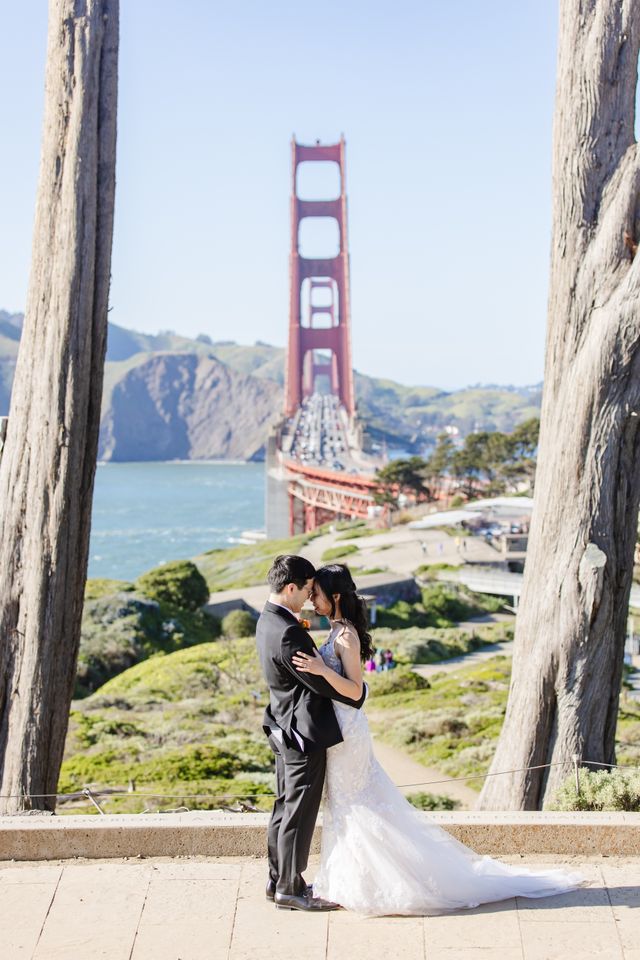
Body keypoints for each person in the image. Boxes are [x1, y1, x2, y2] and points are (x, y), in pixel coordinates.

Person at [292, 563, 586, 916]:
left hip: (349, 733)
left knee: (355, 803)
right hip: (338, 732)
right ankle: (354, 879)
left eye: (317, 594)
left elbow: (356, 691)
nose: (312, 600)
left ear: (335, 596)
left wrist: (323, 671)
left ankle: (376, 883)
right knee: (344, 805)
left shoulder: (346, 637)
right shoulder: (336, 631)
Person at [255, 554, 367, 913]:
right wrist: (356, 692)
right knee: (299, 812)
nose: (308, 597)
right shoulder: (288, 632)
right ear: (290, 587)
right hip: (302, 732)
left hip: (282, 725)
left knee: (283, 807)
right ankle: (290, 886)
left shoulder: (268, 619)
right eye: (305, 589)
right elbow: (319, 682)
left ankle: (279, 880)